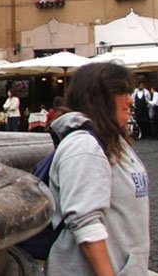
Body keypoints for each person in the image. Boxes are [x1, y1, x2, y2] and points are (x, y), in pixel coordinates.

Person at [45, 62, 148, 275]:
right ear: (99, 97)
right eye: (121, 91)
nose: (129, 99)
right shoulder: (85, 147)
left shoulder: (112, 141)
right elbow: (86, 224)